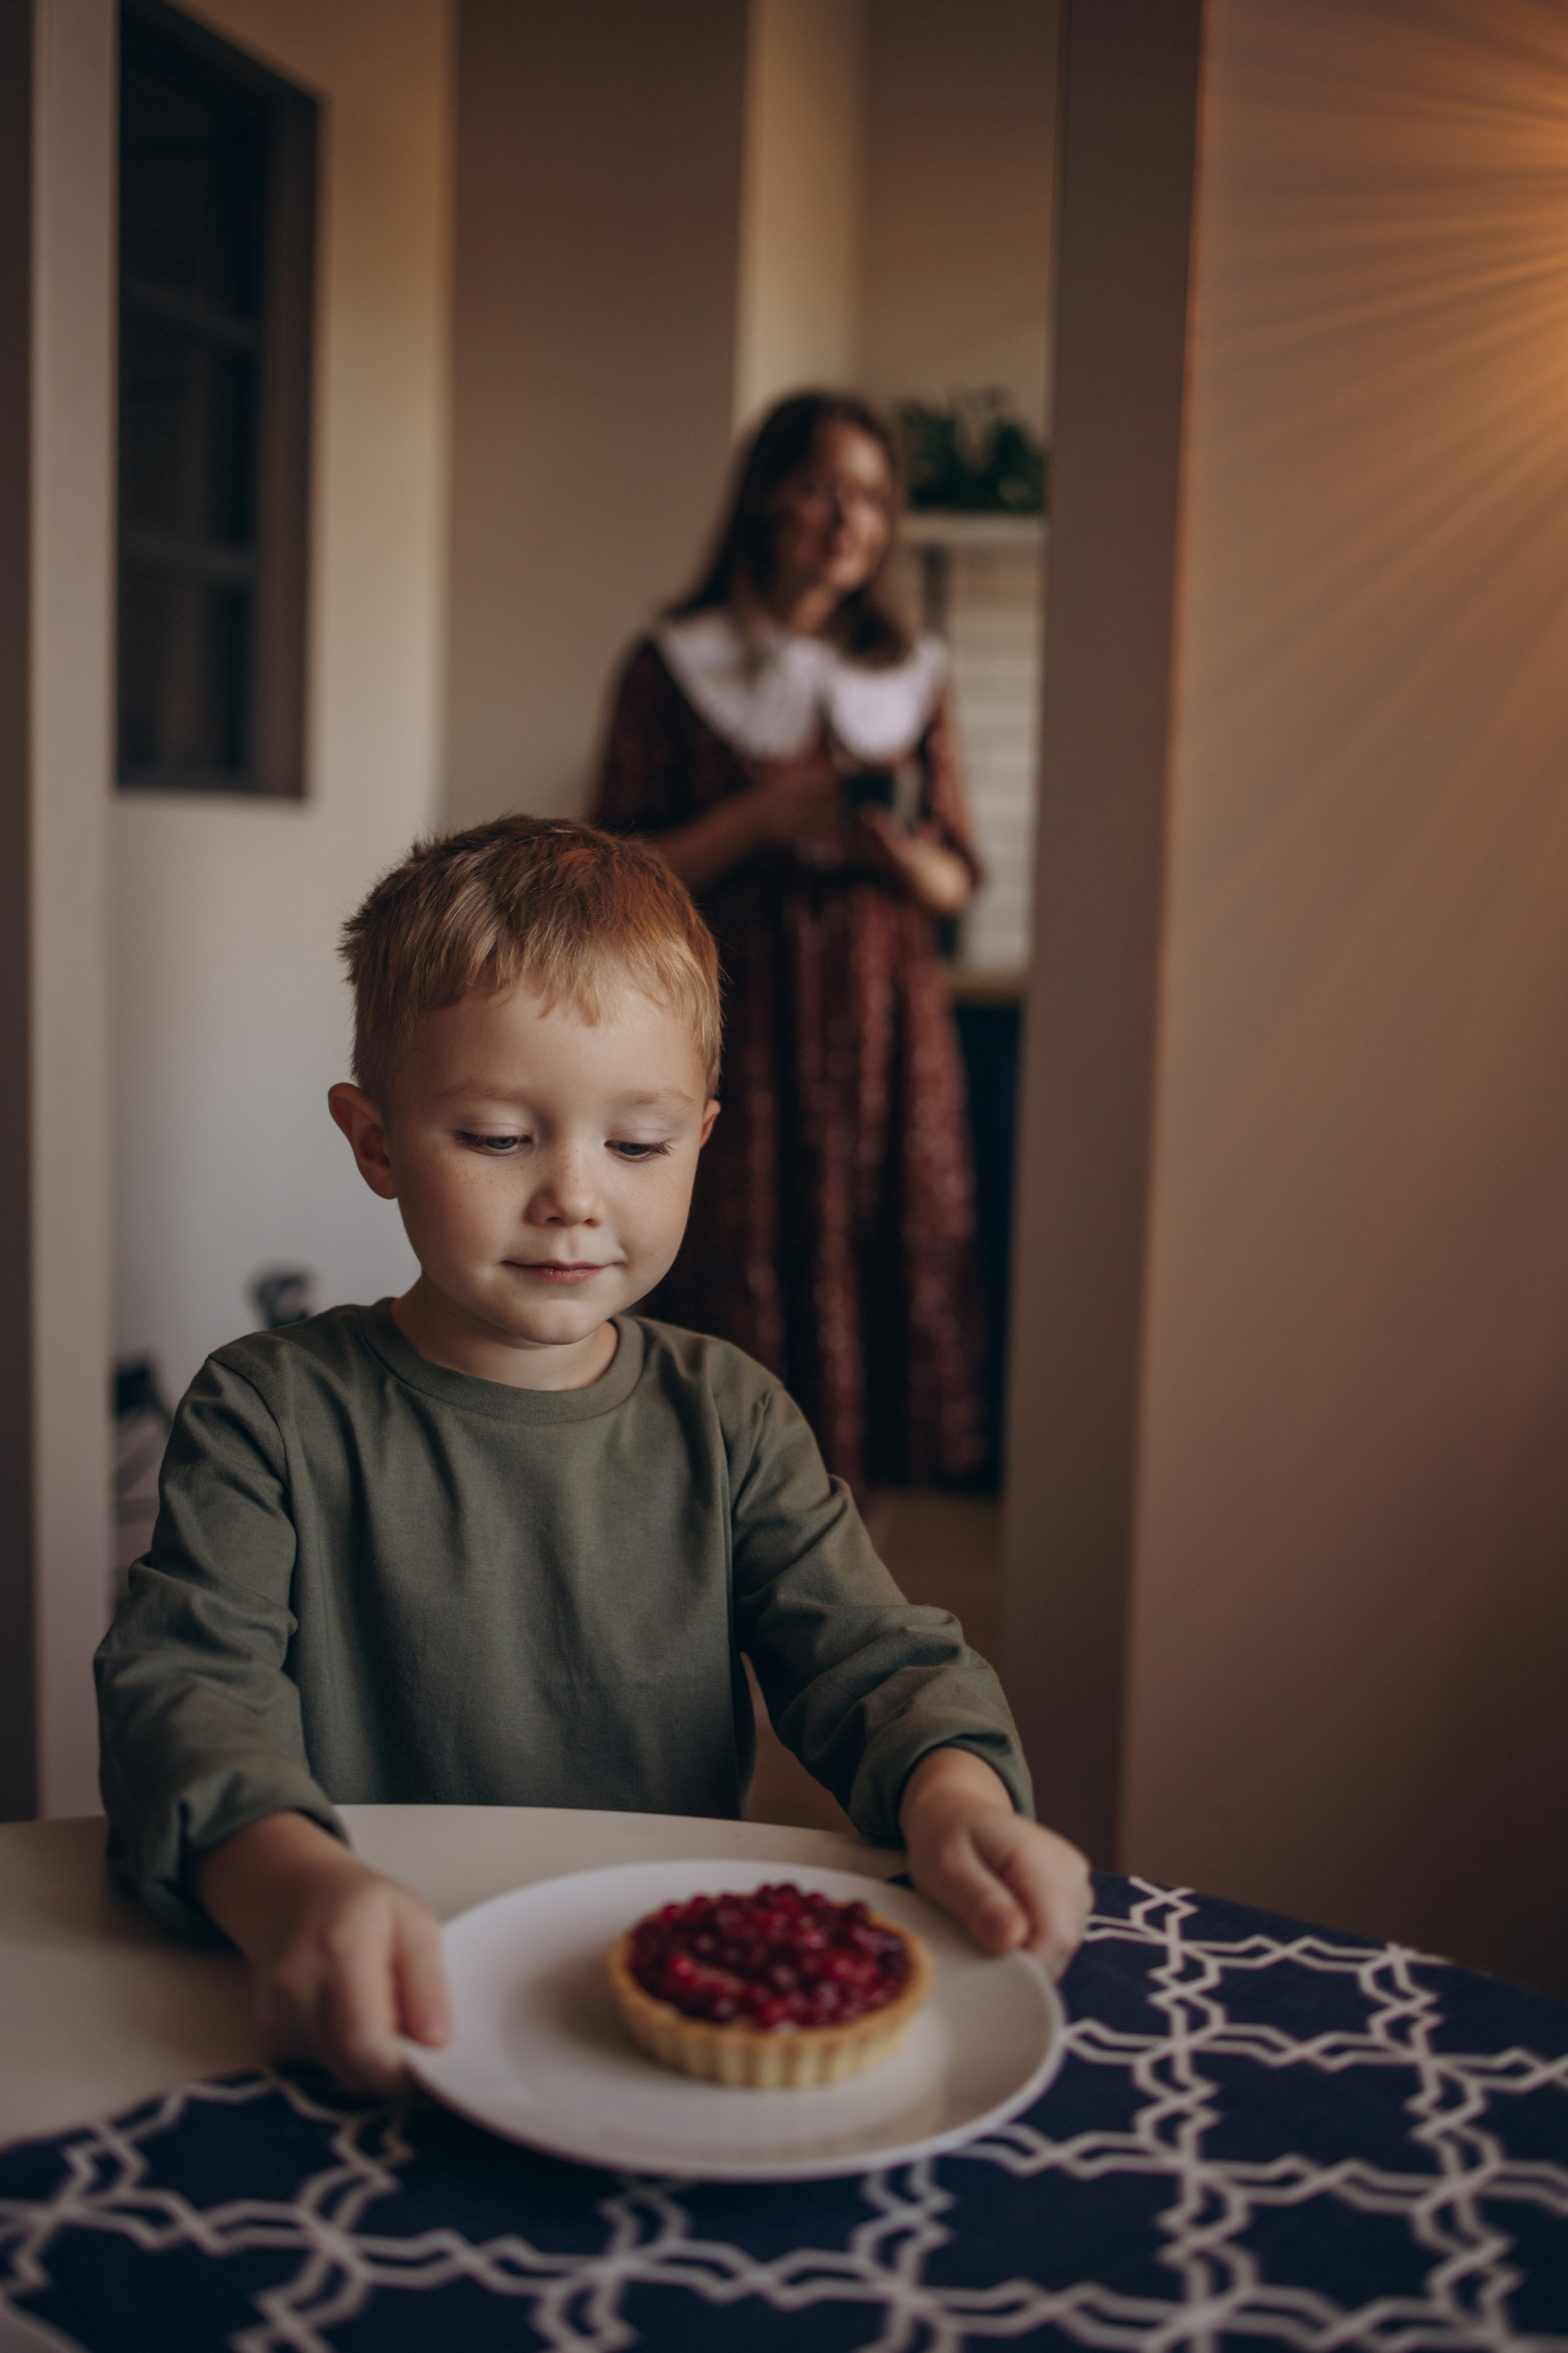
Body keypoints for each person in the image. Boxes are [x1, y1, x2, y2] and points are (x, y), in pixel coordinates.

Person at [95, 817, 1090, 2093]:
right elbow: (184, 1694)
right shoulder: (267, 1410)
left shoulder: (728, 1416)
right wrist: (288, 1879)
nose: (574, 1195)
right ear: (377, 1138)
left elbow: (872, 1659)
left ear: (701, 1139)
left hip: (643, 2011)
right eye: (501, 1136)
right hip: (365, 1987)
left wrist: (957, 1799)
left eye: (635, 1145)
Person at [594, 391, 983, 1495]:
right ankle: (709, 1538)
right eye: (822, 488)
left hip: (882, 1031)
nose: (847, 520)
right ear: (766, 498)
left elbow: (956, 871)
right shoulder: (672, 664)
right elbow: (614, 872)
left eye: (870, 496)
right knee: (733, 1258)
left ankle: (851, 1560)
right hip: (735, 1025)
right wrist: (765, 818)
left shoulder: (914, 676)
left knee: (880, 1254)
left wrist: (893, 851)